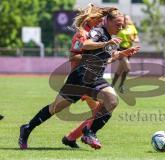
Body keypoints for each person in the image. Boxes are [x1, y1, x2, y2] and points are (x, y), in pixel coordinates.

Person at [18, 8, 140, 150]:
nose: (120, 28)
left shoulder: (111, 38)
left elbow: (105, 59)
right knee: (55, 108)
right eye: (118, 24)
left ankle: (89, 133)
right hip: (81, 76)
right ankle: (27, 128)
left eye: (122, 25)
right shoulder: (99, 32)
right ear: (108, 21)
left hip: (94, 77)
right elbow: (85, 44)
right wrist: (105, 44)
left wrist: (121, 54)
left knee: (111, 100)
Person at [62, 4, 118, 149]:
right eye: (98, 19)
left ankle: (71, 137)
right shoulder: (83, 34)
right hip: (81, 79)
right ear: (90, 19)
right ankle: (80, 135)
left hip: (88, 78)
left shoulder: (93, 32)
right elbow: (72, 57)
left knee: (98, 111)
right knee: (100, 110)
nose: (100, 22)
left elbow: (103, 55)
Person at [111, 15, 139, 93]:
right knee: (127, 68)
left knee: (120, 69)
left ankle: (111, 86)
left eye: (128, 19)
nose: (126, 20)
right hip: (121, 50)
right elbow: (116, 39)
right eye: (125, 19)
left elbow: (136, 38)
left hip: (129, 51)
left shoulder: (132, 27)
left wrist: (134, 39)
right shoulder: (120, 28)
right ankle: (121, 85)